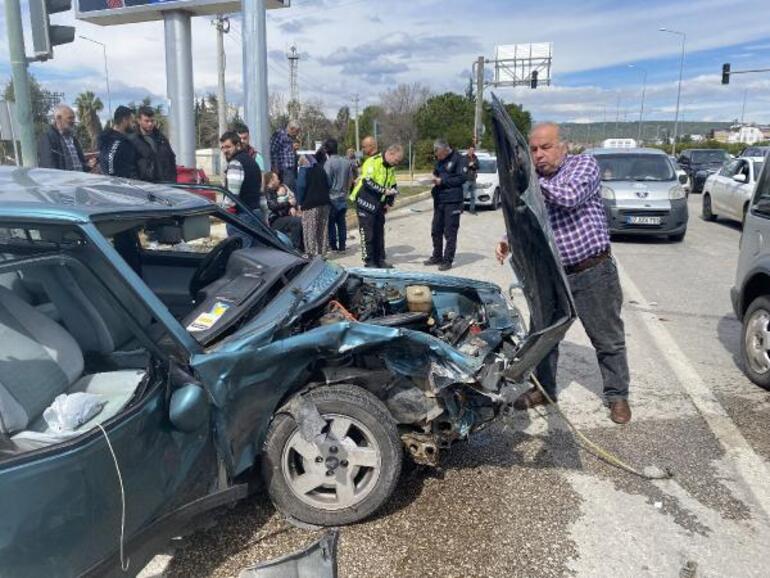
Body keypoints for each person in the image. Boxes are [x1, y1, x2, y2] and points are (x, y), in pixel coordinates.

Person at [495, 122, 632, 425]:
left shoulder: (583, 166)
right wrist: (509, 239)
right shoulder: (535, 181)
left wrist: (525, 179)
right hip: (551, 275)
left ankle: (617, 396)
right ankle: (543, 390)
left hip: (592, 271)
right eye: (532, 150)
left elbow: (568, 197)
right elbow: (531, 217)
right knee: (544, 337)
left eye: (545, 147)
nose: (538, 155)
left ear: (563, 146)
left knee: (607, 338)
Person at [350, 144, 403, 268]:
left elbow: (393, 184)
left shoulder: (390, 167)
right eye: (396, 160)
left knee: (379, 233)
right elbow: (367, 181)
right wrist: (384, 190)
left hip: (379, 205)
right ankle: (369, 262)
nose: (397, 163)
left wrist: (389, 202)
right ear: (390, 153)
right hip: (365, 202)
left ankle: (379, 260)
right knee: (367, 234)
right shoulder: (372, 161)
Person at [423, 139, 467, 272]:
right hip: (439, 200)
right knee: (435, 230)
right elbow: (436, 173)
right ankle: (437, 256)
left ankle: (447, 260)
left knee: (450, 232)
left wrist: (442, 181)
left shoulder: (459, 159)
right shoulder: (440, 160)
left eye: (438, 153)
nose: (437, 156)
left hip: (452, 201)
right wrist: (431, 178)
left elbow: (461, 178)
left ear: (445, 149)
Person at [220, 131, 263, 245]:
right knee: (256, 257)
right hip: (256, 214)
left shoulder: (235, 163)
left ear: (238, 145)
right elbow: (261, 192)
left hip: (241, 217)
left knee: (241, 256)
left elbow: (232, 196)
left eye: (228, 147)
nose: (225, 151)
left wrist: (222, 212)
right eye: (222, 148)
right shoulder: (252, 162)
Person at [297, 149, 331, 257]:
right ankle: (322, 253)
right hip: (325, 203)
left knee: (310, 229)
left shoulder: (304, 170)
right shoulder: (321, 169)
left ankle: (311, 254)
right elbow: (329, 183)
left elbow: (301, 186)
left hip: (310, 204)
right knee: (323, 229)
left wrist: (300, 202)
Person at [37, 104, 92, 172]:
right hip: (64, 181)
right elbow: (48, 167)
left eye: (73, 118)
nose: (73, 121)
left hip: (80, 180)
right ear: (58, 118)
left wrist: (88, 165)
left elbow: (79, 164)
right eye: (70, 118)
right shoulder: (47, 139)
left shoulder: (73, 139)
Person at [130, 106, 177, 183]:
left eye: (152, 121)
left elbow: (171, 158)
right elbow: (130, 167)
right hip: (145, 187)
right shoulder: (132, 141)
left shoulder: (161, 138)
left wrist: (173, 181)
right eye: (146, 121)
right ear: (139, 121)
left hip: (165, 184)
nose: (150, 124)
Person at [324, 138, 353, 252]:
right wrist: (346, 191)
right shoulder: (346, 161)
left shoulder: (329, 163)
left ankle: (333, 246)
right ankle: (342, 246)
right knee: (342, 223)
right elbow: (350, 179)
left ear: (327, 150)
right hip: (343, 196)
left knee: (331, 223)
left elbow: (327, 181)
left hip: (332, 197)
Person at [264, 171, 303, 250]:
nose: (279, 180)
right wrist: (288, 203)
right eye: (277, 178)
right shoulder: (268, 191)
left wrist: (291, 207)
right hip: (274, 220)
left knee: (300, 220)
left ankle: (303, 247)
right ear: (271, 180)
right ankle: (295, 248)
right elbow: (273, 206)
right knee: (296, 221)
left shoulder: (275, 190)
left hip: (280, 217)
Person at [99, 106, 138, 179]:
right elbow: (110, 162)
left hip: (108, 183)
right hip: (122, 185)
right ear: (124, 120)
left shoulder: (104, 138)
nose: (134, 125)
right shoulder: (122, 142)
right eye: (132, 121)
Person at [270, 120, 300, 192]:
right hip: (284, 169)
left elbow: (287, 151)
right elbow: (273, 150)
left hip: (291, 168)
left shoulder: (292, 137)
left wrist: (294, 149)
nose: (297, 134)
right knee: (288, 190)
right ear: (291, 129)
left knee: (292, 190)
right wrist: (275, 166)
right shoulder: (279, 135)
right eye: (297, 131)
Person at [464, 145, 480, 215]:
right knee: (463, 195)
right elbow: (462, 167)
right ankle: (460, 208)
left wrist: (473, 165)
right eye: (470, 150)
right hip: (466, 179)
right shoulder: (464, 158)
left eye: (473, 150)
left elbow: (478, 166)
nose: (472, 151)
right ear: (468, 150)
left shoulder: (475, 157)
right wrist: (468, 165)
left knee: (473, 196)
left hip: (473, 179)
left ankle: (472, 209)